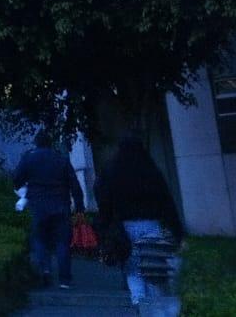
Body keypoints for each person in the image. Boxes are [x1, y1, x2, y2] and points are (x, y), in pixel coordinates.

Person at [96, 137, 182, 307]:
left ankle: (139, 303)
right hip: (152, 226)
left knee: (133, 271)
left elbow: (105, 203)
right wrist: (178, 233)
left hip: (126, 229)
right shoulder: (150, 170)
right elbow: (166, 202)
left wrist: (105, 230)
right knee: (153, 272)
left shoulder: (113, 171)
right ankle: (155, 308)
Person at [12, 131, 87, 289]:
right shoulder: (62, 159)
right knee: (62, 242)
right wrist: (79, 206)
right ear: (50, 143)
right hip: (60, 204)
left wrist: (26, 190)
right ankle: (64, 280)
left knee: (40, 239)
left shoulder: (29, 158)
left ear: (36, 143)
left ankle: (44, 270)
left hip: (38, 205)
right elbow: (74, 184)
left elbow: (16, 179)